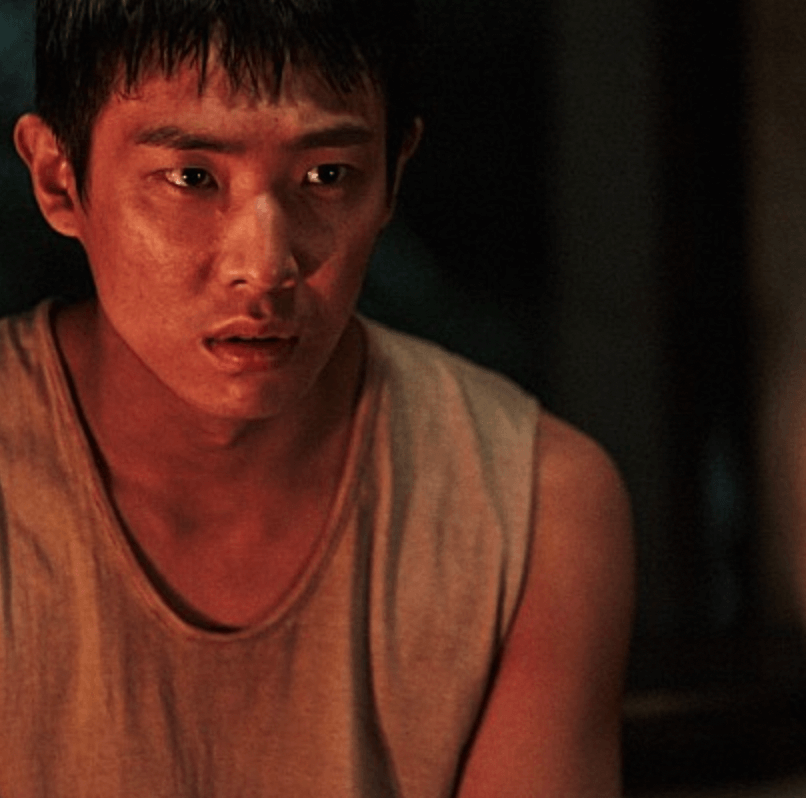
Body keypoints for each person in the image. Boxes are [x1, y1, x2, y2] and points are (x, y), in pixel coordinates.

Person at [0, 0, 634, 795]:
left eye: (327, 176)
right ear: (59, 178)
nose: (265, 265)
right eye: (192, 178)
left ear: (393, 174)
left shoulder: (533, 510)